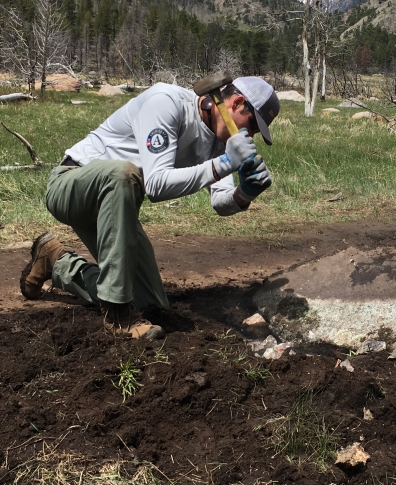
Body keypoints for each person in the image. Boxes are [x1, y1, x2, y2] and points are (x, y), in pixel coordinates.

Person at [20, 74, 280, 338]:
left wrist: (244, 193)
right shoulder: (166, 102)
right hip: (71, 186)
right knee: (124, 173)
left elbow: (220, 203)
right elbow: (155, 184)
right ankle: (117, 314)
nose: (252, 135)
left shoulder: (221, 141)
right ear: (236, 103)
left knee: (150, 305)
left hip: (116, 211)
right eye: (253, 126)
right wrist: (224, 163)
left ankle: (58, 263)